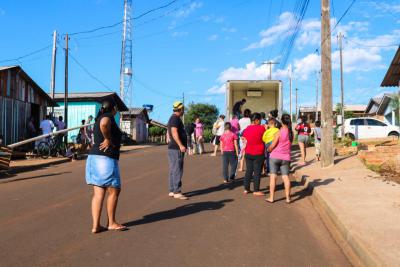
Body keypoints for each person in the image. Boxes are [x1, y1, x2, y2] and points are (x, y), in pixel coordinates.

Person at [85, 97, 126, 233]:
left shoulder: (99, 117)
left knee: (99, 192)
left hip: (94, 158)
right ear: (113, 109)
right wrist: (108, 138)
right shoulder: (107, 117)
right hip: (105, 159)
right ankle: (112, 223)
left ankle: (96, 225)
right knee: (114, 190)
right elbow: (104, 124)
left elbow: (101, 124)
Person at [266, 114, 293, 204]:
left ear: (281, 121)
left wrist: (268, 149)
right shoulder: (291, 133)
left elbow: (273, 146)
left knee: (273, 177)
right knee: (286, 177)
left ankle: (271, 198)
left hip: (275, 156)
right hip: (286, 157)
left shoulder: (279, 132)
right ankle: (288, 198)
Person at [167, 101, 188, 200]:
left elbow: (169, 132)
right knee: (177, 169)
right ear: (180, 109)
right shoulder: (175, 119)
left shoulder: (173, 118)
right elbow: (174, 132)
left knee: (173, 169)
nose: (183, 111)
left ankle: (172, 190)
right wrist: (180, 145)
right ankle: (177, 191)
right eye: (183, 109)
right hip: (176, 148)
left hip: (173, 148)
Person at [242, 113, 266, 196]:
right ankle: (256, 190)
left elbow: (244, 139)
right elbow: (265, 139)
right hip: (258, 153)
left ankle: (246, 188)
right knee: (257, 172)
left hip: (248, 152)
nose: (260, 121)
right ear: (256, 120)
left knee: (249, 171)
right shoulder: (261, 128)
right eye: (260, 120)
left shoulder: (246, 129)